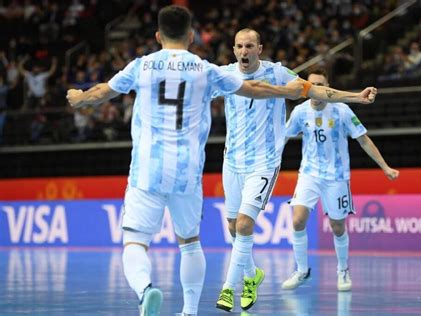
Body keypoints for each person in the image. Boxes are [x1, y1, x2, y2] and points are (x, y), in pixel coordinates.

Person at [66, 6, 305, 316]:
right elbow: (253, 89)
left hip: (147, 171)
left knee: (135, 242)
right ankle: (190, 311)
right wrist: (284, 90)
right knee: (190, 242)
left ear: (157, 35)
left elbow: (102, 92)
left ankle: (146, 290)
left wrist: (79, 97)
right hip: (188, 172)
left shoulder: (142, 65)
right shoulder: (205, 69)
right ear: (191, 36)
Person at [214, 29, 378, 312]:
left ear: (259, 49)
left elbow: (315, 90)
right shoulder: (225, 74)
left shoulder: (279, 74)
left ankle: (229, 288)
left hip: (263, 163)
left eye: (249, 46)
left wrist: (356, 97)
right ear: (233, 49)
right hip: (232, 161)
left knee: (243, 224)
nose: (244, 51)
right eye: (239, 46)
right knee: (232, 226)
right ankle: (253, 275)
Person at [281, 69, 399, 292]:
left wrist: (385, 167)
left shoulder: (342, 111)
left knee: (337, 227)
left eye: (320, 84)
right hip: (309, 174)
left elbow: (363, 140)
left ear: (328, 88)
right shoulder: (299, 112)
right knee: (297, 220)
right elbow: (283, 139)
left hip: (336, 177)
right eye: (311, 84)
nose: (315, 88)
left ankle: (343, 270)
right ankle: (302, 270)